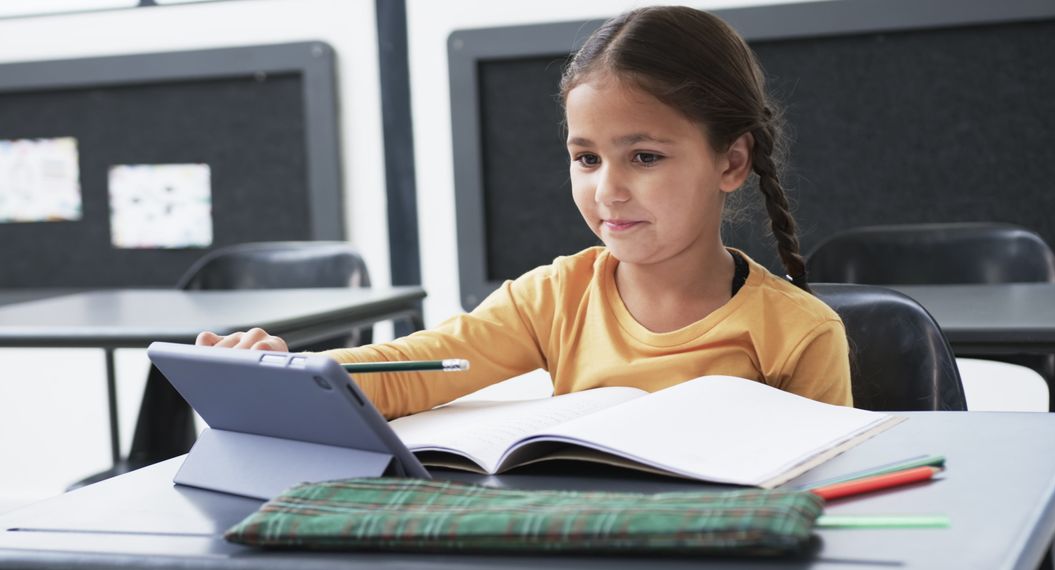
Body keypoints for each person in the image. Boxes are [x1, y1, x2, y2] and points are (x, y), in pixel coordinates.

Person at [197, 6, 852, 419]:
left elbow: (833, 500)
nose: (609, 190)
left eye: (645, 157)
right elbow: (414, 370)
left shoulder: (798, 333)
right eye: (587, 159)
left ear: (731, 163)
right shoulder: (552, 299)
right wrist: (291, 372)